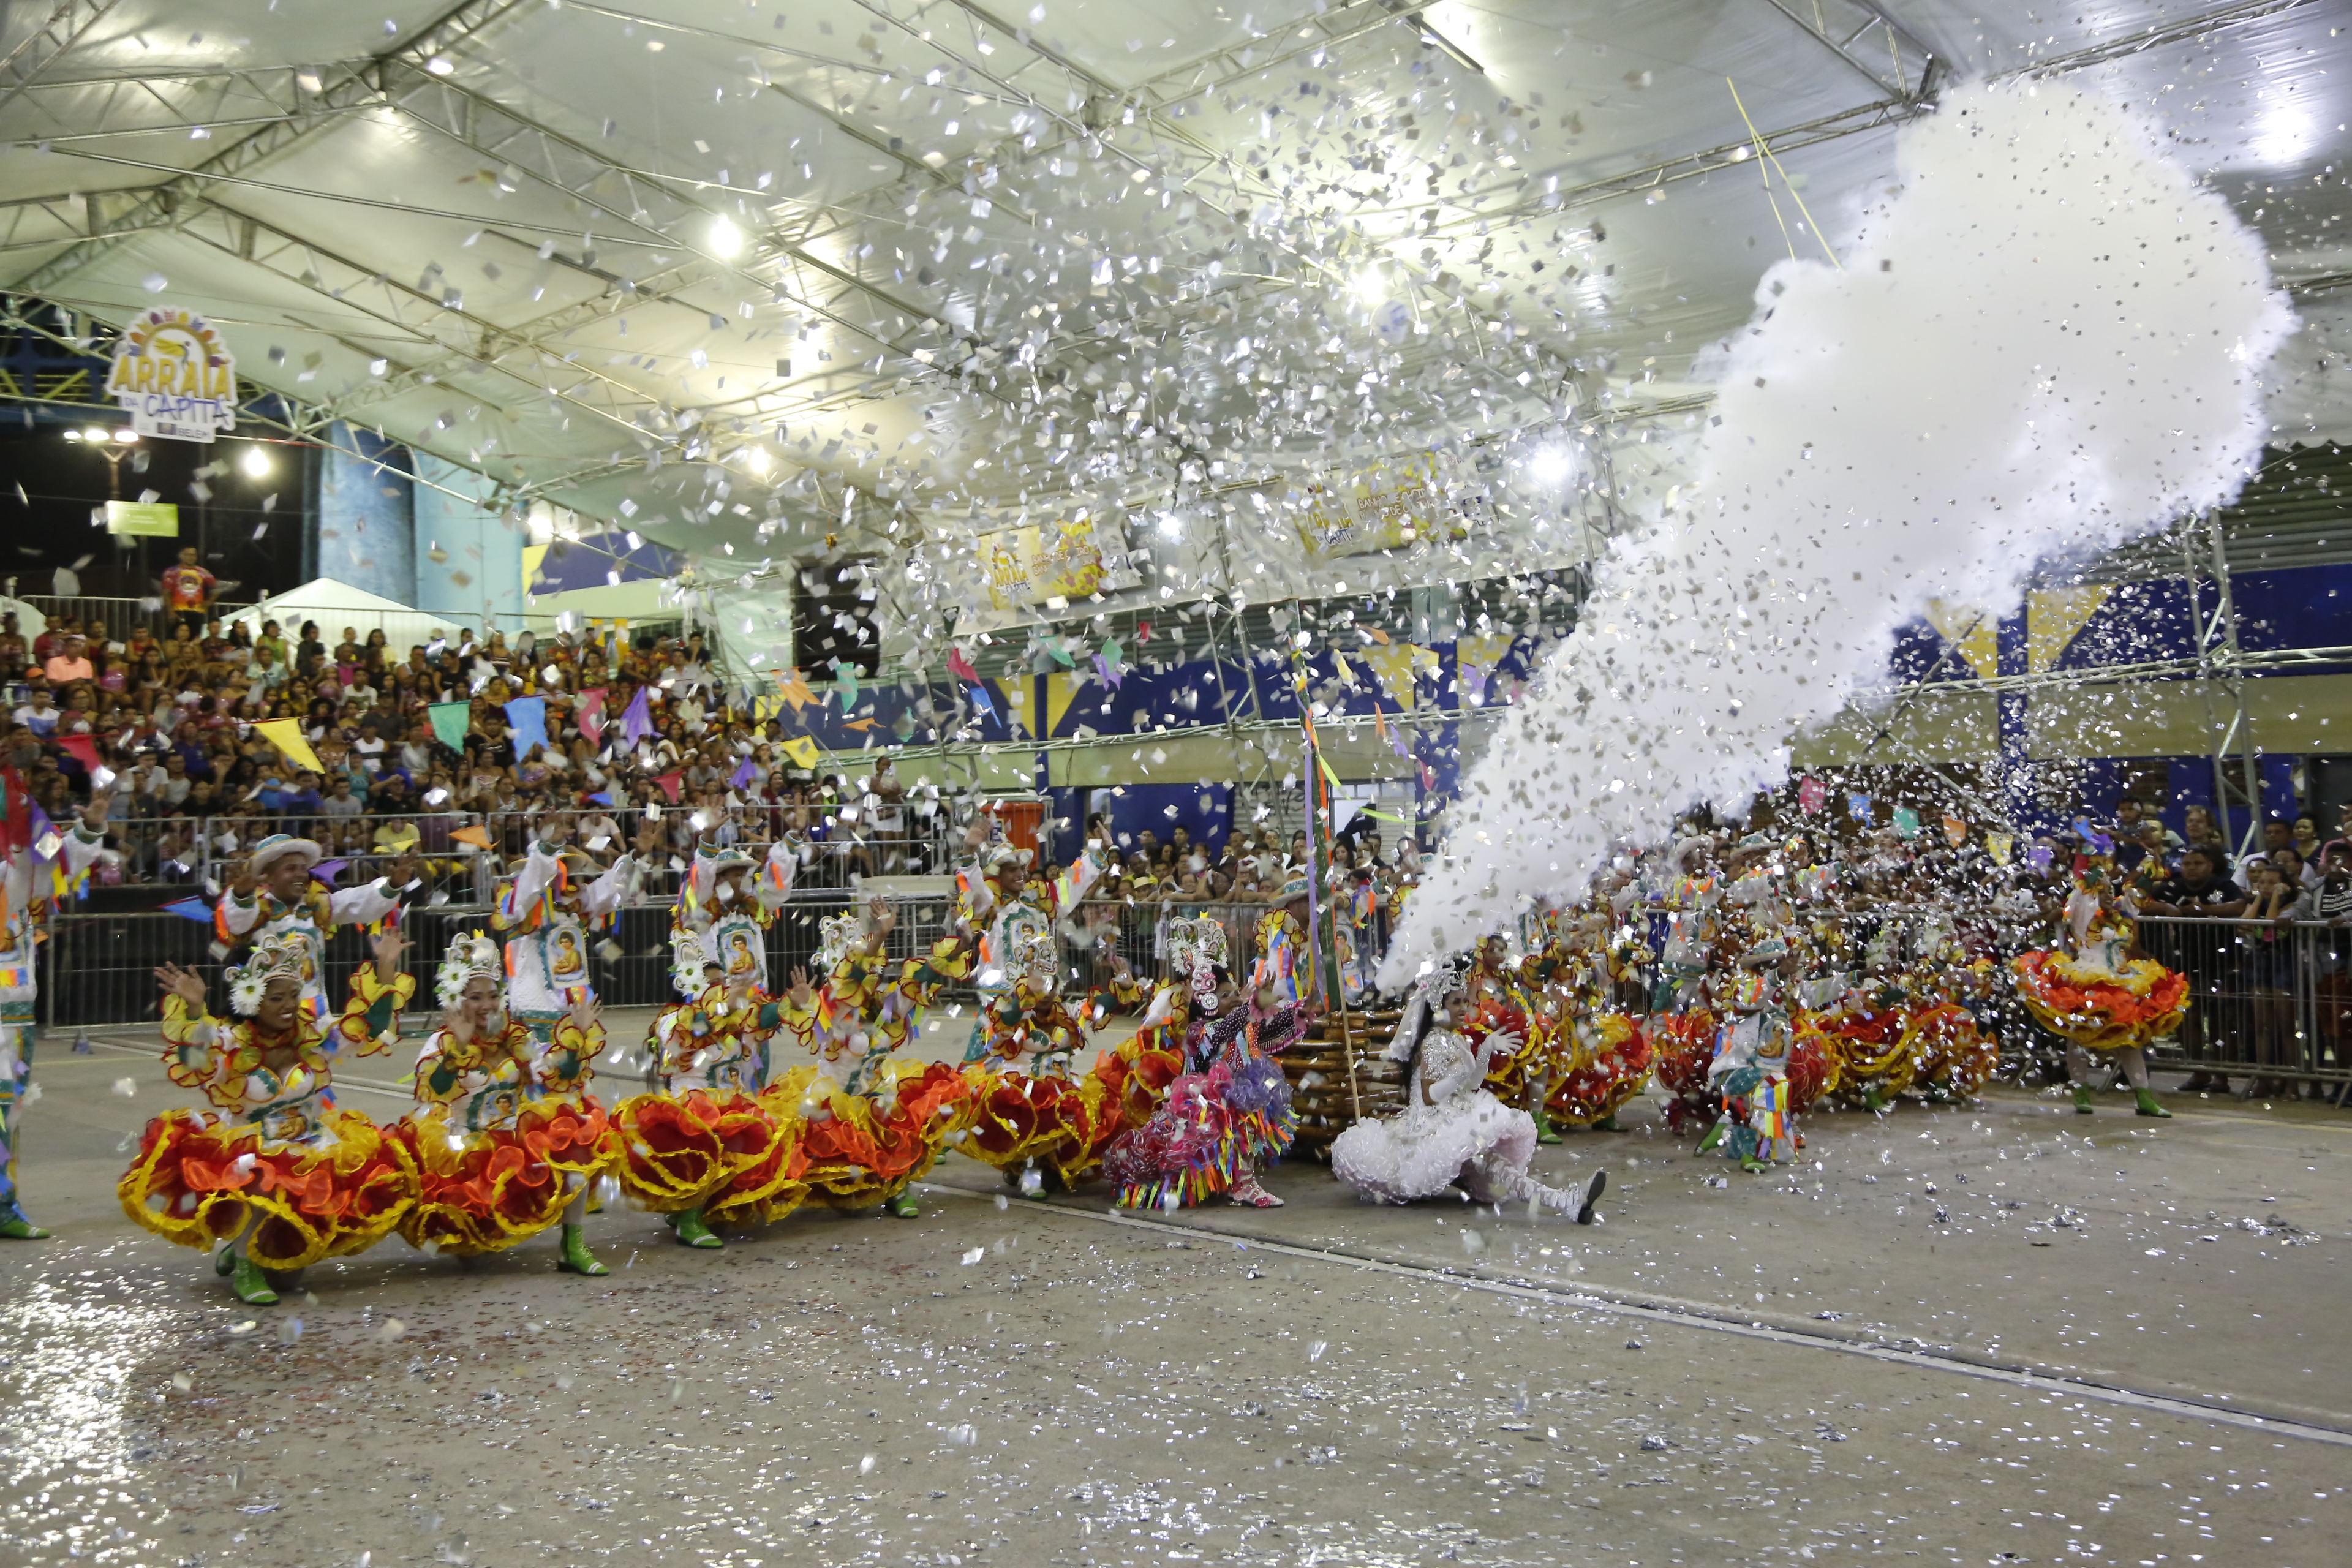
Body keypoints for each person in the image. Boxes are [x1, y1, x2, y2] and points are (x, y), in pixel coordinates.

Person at [124, 927, 413, 1306]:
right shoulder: (231, 1042)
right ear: (252, 1003)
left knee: (294, 1264)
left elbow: (371, 1026)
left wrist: (387, 966)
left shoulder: (314, 1037)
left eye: (294, 994)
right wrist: (196, 1010)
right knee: (258, 1176)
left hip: (308, 1144)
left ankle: (244, 1247)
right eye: (276, 998)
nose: (289, 1005)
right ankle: (247, 1265)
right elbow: (193, 1062)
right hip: (249, 1147)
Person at [395, 930, 612, 1276]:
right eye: (475, 997)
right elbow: (434, 1091)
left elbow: (554, 1076)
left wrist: (577, 1038)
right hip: (465, 1146)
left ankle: (573, 1245)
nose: (486, 1006)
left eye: (493, 996)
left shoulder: (517, 1037)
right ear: (456, 1000)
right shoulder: (442, 1041)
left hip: (515, 1139)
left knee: (576, 1133)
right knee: (473, 1254)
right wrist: (457, 1053)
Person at [1330, 959, 1606, 1219]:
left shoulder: (1456, 1039)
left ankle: (1566, 1202)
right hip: (1430, 1128)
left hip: (1455, 1115)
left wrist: (1486, 1050)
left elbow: (1471, 1084)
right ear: (1439, 1005)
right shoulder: (1435, 1042)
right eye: (1456, 1002)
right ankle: (1565, 1202)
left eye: (1465, 1001)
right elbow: (1429, 1097)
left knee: (1497, 1168)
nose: (1464, 1008)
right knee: (1494, 1166)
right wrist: (1458, 1076)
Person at [1099, 915, 1298, 1209]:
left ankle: (1241, 1183)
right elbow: (1222, 1028)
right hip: (1204, 1096)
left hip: (1239, 1089)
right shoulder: (1200, 1030)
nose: (1235, 998)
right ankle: (1229, 1184)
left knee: (1247, 1125)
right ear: (1207, 1000)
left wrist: (1302, 1011)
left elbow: (1270, 1028)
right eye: (1226, 995)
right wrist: (1253, 1006)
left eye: (1235, 993)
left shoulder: (1241, 1022)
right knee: (1198, 1149)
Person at [0, 783, 111, 1238]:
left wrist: (89, 826)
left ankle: (4, 1205)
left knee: (8, 1111)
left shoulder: (22, 859)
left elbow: (63, 857)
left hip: (12, 1014)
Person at [2013, 856, 2187, 1117]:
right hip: (2086, 978)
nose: (2107, 894)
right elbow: (2082, 892)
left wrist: (2149, 865)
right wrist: (2092, 860)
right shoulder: (2083, 915)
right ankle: (2081, 1092)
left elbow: (2139, 891)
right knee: (2078, 1037)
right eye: (2101, 890)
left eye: (2110, 889)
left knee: (2130, 1040)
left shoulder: (2121, 914)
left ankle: (2144, 1097)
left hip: (2124, 981)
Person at [213, 833, 423, 1020]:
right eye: (290, 868)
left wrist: (393, 885)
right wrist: (241, 895)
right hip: (268, 1019)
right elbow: (238, 923)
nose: (300, 874)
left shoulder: (318, 905)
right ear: (268, 876)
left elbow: (357, 901)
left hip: (315, 1015)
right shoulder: (255, 908)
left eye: (303, 868)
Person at [160, 546, 216, 635]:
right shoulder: (172, 571)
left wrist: (210, 601)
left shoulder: (203, 572)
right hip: (177, 611)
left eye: (193, 555)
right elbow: (166, 593)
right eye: (188, 555)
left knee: (194, 640)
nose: (191, 557)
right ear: (181, 556)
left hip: (196, 611)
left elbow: (216, 587)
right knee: (174, 641)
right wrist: (171, 611)